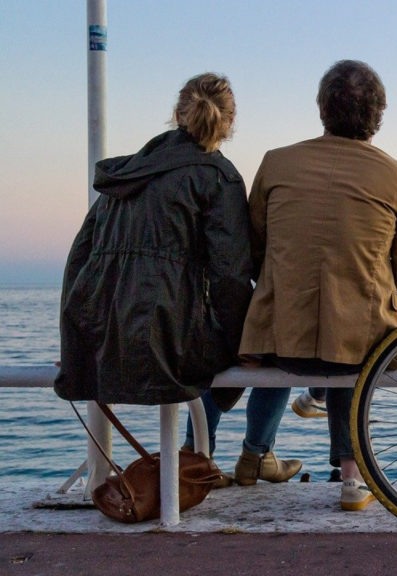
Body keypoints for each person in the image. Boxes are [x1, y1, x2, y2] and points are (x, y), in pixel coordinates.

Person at [237, 59, 397, 510]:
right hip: (354, 347)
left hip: (276, 340)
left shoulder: (276, 162)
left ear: (321, 108)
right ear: (379, 113)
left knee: (292, 330)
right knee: (353, 342)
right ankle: (351, 481)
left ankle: (250, 457)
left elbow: (254, 249)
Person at [55, 73, 252, 485]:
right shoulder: (219, 177)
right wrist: (244, 346)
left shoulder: (126, 174)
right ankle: (231, 455)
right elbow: (230, 279)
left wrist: (76, 341)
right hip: (169, 343)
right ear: (229, 124)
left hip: (101, 338)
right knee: (268, 348)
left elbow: (79, 261)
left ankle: (197, 457)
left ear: (177, 114)